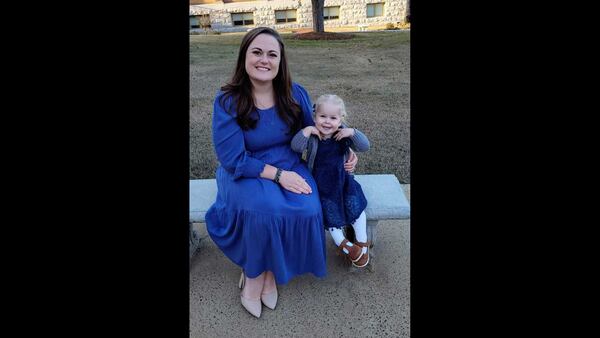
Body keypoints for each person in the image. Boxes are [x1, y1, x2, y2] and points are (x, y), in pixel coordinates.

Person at [204, 27, 358, 319]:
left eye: (272, 54)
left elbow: (319, 133)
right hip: (244, 170)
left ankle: (270, 269)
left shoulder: (294, 93)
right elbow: (232, 157)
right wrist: (277, 176)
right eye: (257, 52)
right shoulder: (228, 100)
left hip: (289, 163)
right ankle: (253, 274)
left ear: (280, 60)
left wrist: (345, 149)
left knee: (308, 208)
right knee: (264, 209)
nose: (264, 60)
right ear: (244, 56)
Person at [291, 94, 371, 268]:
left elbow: (365, 146)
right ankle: (345, 245)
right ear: (315, 117)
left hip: (343, 183)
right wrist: (306, 131)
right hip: (322, 186)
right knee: (329, 217)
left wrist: (353, 132)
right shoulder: (313, 136)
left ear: (341, 119)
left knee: (357, 210)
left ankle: (362, 244)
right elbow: (296, 146)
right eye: (322, 117)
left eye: (333, 118)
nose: (327, 122)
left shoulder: (343, 134)